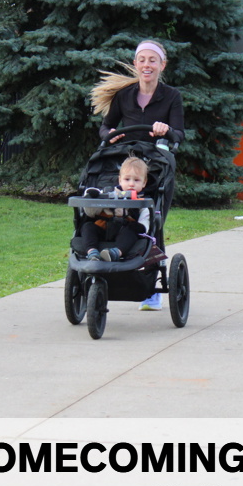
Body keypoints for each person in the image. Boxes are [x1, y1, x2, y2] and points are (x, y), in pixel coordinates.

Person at [90, 39, 184, 311]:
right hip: (128, 166)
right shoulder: (124, 96)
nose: (147, 65)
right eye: (142, 60)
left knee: (153, 222)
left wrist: (166, 131)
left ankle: (151, 288)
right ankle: (104, 261)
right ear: (135, 64)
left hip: (156, 167)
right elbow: (105, 126)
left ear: (162, 65)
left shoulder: (172, 96)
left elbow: (179, 134)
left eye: (153, 60)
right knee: (113, 213)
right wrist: (109, 134)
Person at [80, 156, 151, 263]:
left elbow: (145, 220)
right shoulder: (109, 194)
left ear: (144, 183)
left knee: (133, 230)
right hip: (103, 228)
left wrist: (141, 228)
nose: (131, 184)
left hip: (124, 232)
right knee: (87, 227)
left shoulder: (142, 203)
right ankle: (92, 252)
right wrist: (92, 196)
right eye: (127, 179)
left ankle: (115, 253)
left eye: (136, 180)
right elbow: (91, 212)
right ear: (120, 180)